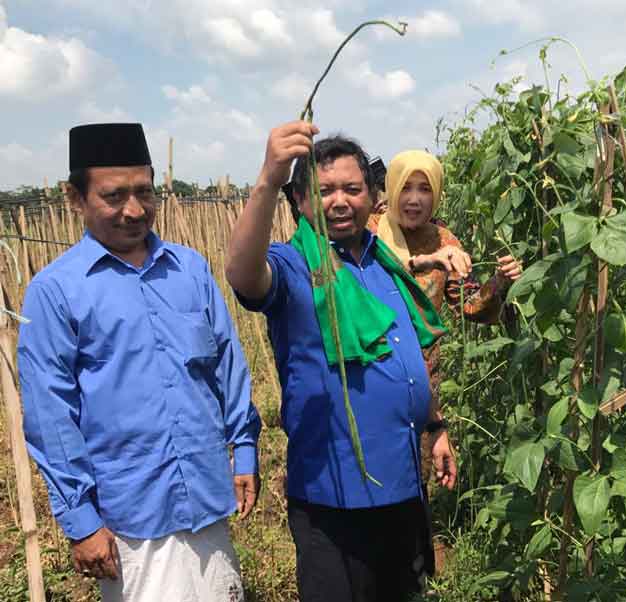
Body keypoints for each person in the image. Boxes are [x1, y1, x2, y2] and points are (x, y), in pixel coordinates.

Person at [17, 123, 262, 602]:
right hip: (129, 517)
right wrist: (82, 520)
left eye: (144, 193)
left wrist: (245, 448)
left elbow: (227, 365)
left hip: (207, 495)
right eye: (114, 196)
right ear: (75, 198)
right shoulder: (56, 291)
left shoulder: (189, 269)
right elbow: (51, 416)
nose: (134, 210)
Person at [225, 122, 458, 602]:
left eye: (352, 188)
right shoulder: (293, 268)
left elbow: (406, 357)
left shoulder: (383, 264)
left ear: (372, 196)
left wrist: (434, 427)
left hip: (401, 484)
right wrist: (269, 178)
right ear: (301, 202)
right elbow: (243, 274)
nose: (338, 200)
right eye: (323, 190)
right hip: (334, 499)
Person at [370, 150, 522, 475]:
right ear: (392, 187)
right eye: (406, 187)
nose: (414, 199)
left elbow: (468, 305)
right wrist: (427, 261)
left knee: (413, 485)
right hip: (368, 380)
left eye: (424, 189)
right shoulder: (368, 231)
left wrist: (498, 281)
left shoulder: (444, 239)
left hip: (422, 390)